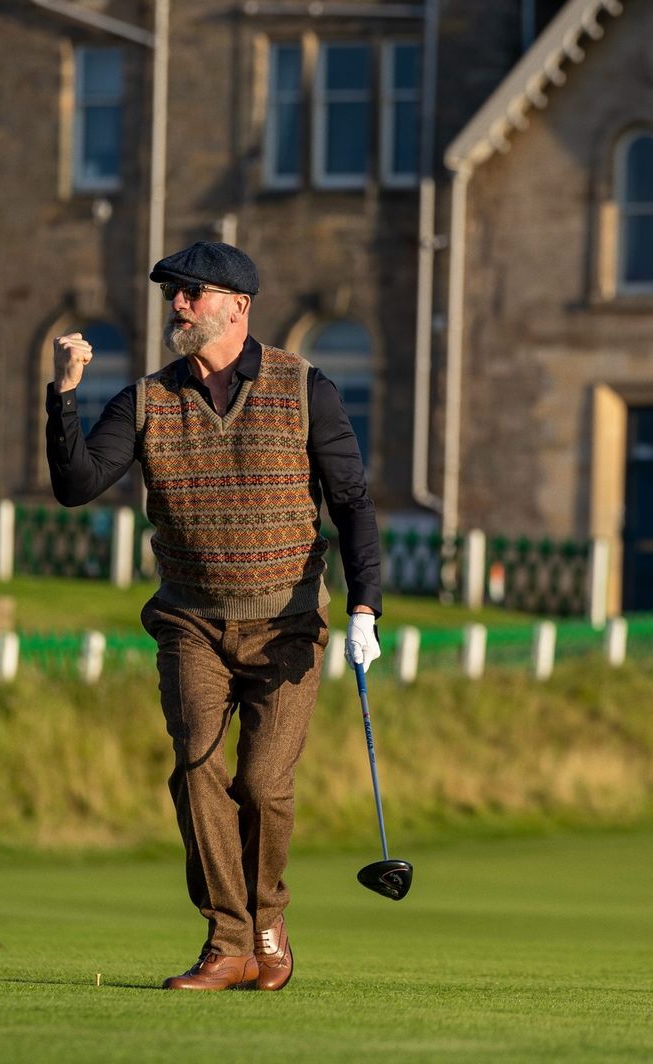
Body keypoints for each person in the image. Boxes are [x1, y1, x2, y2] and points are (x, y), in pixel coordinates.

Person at [46, 241, 383, 991]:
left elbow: (353, 503)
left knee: (262, 785)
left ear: (238, 305)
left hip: (288, 624)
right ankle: (229, 941)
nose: (177, 305)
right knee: (199, 765)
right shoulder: (143, 401)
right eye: (173, 294)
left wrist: (364, 605)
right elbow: (77, 485)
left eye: (191, 293)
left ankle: (267, 923)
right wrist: (64, 395)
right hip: (190, 621)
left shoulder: (306, 389)